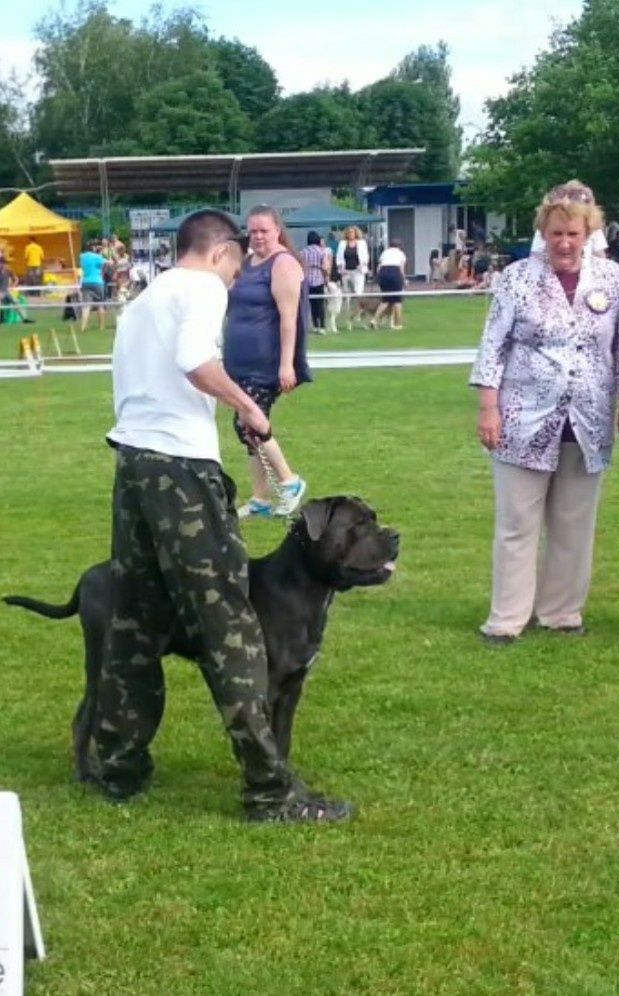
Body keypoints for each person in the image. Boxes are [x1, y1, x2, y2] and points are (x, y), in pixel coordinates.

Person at [97, 208, 351, 823]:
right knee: (231, 623)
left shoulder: (144, 299)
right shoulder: (203, 286)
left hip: (133, 467)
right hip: (182, 472)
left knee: (135, 621)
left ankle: (119, 769)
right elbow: (195, 360)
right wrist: (248, 409)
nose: (236, 281)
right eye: (236, 268)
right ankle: (271, 791)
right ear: (219, 253)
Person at [470, 182, 619, 645]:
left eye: (573, 234)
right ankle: (506, 619)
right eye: (556, 233)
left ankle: (562, 613)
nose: (564, 243)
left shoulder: (612, 279)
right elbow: (492, 346)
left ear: (589, 235)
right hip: (522, 418)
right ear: (543, 232)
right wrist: (488, 407)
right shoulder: (517, 278)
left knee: (574, 526)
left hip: (587, 421)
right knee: (516, 526)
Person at [224, 205, 309, 520]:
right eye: (253, 230)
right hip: (239, 362)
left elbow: (289, 318)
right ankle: (260, 498)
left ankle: (289, 481)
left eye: (264, 230)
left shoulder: (282, 263)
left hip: (266, 362)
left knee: (248, 422)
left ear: (277, 230)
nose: (257, 236)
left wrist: (287, 365)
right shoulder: (246, 262)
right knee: (249, 433)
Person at [530, 181, 608, 258]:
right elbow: (535, 257)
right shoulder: (548, 226)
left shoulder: (592, 227)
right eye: (557, 234)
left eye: (573, 234)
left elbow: (600, 256)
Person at [335, 225, 369, 326]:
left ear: (356, 233)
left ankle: (358, 314)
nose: (351, 234)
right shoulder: (342, 244)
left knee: (358, 293)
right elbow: (339, 257)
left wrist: (362, 264)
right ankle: (347, 314)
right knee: (347, 295)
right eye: (349, 232)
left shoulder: (361, 243)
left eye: (352, 232)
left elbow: (365, 256)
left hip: (358, 271)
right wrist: (341, 268)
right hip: (346, 271)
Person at [299, 230, 331, 333]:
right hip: (319, 279)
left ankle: (315, 325)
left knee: (311, 304)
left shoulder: (303, 252)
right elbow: (326, 267)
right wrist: (326, 278)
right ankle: (322, 326)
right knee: (320, 303)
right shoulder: (322, 251)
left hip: (306, 280)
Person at [372, 238, 407, 330]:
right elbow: (401, 269)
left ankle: (374, 319)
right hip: (394, 272)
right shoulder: (401, 254)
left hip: (383, 273)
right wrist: (404, 280)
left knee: (385, 299)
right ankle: (398, 324)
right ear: (399, 246)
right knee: (397, 300)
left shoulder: (384, 253)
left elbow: (379, 266)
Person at [79, 241, 107, 332]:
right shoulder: (97, 257)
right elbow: (105, 263)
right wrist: (101, 254)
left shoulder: (82, 257)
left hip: (85, 281)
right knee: (100, 305)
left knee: (86, 306)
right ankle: (101, 327)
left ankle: (83, 327)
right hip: (97, 282)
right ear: (93, 248)